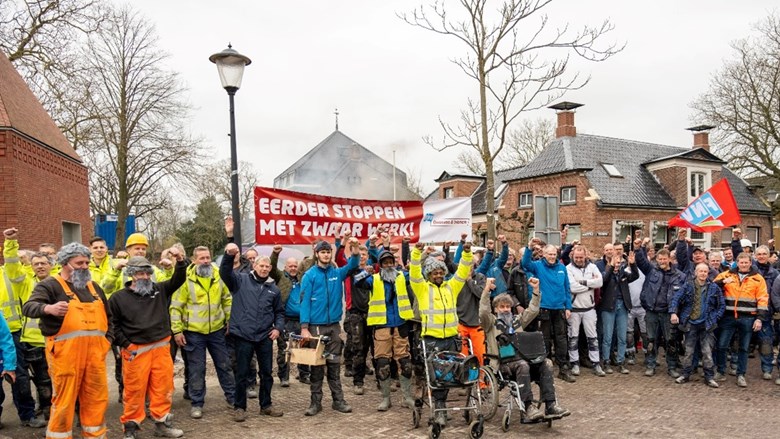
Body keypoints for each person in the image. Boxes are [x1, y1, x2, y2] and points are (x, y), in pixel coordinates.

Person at [22, 242, 114, 439]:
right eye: (79, 262)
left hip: (95, 357)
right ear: (64, 263)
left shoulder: (94, 287)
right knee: (64, 401)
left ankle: (95, 436)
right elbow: (29, 307)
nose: (84, 266)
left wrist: (108, 340)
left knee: (96, 399)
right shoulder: (50, 285)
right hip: (66, 357)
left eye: (87, 262)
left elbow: (109, 317)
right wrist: (48, 309)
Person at [109, 252, 187, 439]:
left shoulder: (159, 290)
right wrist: (126, 344)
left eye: (147, 273)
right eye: (139, 273)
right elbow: (113, 325)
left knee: (163, 388)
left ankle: (162, 424)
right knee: (134, 392)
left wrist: (180, 261)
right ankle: (131, 428)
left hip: (161, 348)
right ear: (131, 275)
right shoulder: (118, 298)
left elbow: (179, 278)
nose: (144, 277)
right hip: (136, 351)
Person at [480, 277, 569, 422]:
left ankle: (551, 404)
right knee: (523, 365)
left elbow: (533, 310)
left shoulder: (517, 321)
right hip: (503, 364)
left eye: (508, 307)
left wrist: (535, 290)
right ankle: (528, 407)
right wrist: (486, 291)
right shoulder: (490, 322)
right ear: (495, 309)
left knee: (546, 363)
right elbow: (483, 311)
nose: (505, 309)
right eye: (501, 307)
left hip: (523, 360)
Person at [409, 240, 473, 427]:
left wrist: (467, 253)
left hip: (451, 339)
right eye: (434, 272)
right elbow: (414, 272)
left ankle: (442, 408)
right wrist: (417, 252)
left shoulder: (451, 287)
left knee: (452, 374)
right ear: (428, 274)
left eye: (441, 272)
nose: (438, 275)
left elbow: (462, 272)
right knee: (438, 375)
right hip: (432, 340)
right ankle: (440, 410)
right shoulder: (422, 288)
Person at [221, 243, 285, 422]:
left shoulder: (274, 289)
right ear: (254, 266)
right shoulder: (240, 280)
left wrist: (278, 329)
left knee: (266, 373)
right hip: (243, 336)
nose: (264, 269)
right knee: (241, 374)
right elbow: (224, 273)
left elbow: (279, 313)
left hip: (265, 336)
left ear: (271, 268)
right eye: (261, 266)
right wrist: (228, 255)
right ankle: (239, 407)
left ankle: (266, 405)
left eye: (267, 266)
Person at [170, 246, 235, 419]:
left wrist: (230, 320)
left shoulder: (217, 275)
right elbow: (176, 307)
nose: (205, 261)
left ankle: (232, 397)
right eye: (201, 258)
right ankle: (197, 403)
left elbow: (227, 299)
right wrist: (177, 331)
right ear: (194, 260)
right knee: (197, 369)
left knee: (224, 365)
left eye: (207, 257)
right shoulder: (185, 279)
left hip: (216, 330)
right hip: (193, 333)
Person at [300, 238, 360, 416]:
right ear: (317, 254)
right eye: (323, 252)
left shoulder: (337, 273)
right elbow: (304, 303)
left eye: (328, 252)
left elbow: (353, 264)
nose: (326, 254)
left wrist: (354, 248)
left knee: (334, 365)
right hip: (315, 328)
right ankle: (315, 403)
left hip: (334, 328)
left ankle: (338, 401)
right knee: (317, 367)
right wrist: (304, 327)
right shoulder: (309, 275)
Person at [355, 250, 415, 411]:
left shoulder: (402, 277)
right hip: (382, 325)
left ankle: (407, 397)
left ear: (395, 264)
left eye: (391, 262)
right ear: (380, 265)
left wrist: (415, 257)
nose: (389, 265)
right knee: (382, 363)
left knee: (405, 363)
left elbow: (417, 275)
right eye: (385, 263)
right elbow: (357, 282)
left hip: (401, 325)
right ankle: (386, 398)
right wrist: (364, 272)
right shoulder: (373, 279)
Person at [1, 228, 47, 428]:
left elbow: (12, 263)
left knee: (19, 376)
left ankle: (27, 414)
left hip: (14, 332)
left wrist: (11, 242)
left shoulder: (16, 275)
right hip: (11, 332)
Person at [714, 253, 769, 387]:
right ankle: (721, 371)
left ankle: (741, 374)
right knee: (722, 345)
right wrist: (722, 283)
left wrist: (759, 319)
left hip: (748, 317)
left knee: (744, 348)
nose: (744, 265)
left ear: (750, 263)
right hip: (728, 316)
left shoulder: (758, 279)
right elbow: (712, 286)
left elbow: (762, 299)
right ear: (737, 263)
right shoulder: (726, 275)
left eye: (746, 262)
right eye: (741, 262)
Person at [522, 241, 574, 383]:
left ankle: (563, 368)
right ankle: (544, 369)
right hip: (544, 307)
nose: (552, 257)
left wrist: (568, 307)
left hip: (559, 309)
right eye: (549, 254)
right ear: (544, 255)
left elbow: (567, 288)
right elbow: (525, 264)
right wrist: (528, 248)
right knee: (544, 339)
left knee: (561, 339)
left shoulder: (562, 268)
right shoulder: (538, 266)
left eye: (554, 254)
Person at [636, 238, 686, 378]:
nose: (662, 261)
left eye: (664, 259)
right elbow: (640, 261)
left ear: (670, 259)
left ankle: (671, 367)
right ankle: (650, 365)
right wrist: (638, 247)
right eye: (659, 259)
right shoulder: (651, 271)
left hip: (668, 313)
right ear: (656, 259)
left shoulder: (679, 276)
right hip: (652, 311)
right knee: (651, 339)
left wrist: (676, 311)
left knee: (670, 341)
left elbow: (682, 295)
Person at [670, 263, 725, 388]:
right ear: (696, 272)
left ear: (708, 273)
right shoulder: (688, 285)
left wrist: (715, 318)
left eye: (705, 271)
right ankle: (685, 374)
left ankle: (709, 377)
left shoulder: (714, 287)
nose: (703, 273)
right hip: (690, 323)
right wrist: (673, 313)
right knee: (688, 351)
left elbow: (721, 305)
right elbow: (676, 299)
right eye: (701, 271)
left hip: (707, 324)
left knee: (707, 352)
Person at [269, 245, 310, 386]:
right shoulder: (280, 277)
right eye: (290, 266)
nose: (293, 268)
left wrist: (315, 250)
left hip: (302, 320)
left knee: (304, 348)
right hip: (285, 320)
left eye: (295, 266)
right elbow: (272, 267)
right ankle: (284, 377)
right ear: (285, 267)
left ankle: (304, 375)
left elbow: (313, 262)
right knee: (285, 349)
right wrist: (275, 253)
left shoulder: (303, 278)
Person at [565, 245, 604, 377]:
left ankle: (596, 363)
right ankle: (574, 363)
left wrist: (581, 282)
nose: (579, 259)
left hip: (589, 309)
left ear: (585, 256)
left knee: (593, 337)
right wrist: (589, 285)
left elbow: (599, 282)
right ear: (572, 256)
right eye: (576, 257)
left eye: (581, 257)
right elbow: (572, 287)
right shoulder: (568, 268)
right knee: (573, 337)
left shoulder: (592, 267)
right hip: (574, 309)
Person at [599, 249, 639, 375]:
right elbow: (604, 280)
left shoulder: (623, 274)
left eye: (619, 263)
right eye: (615, 262)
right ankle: (606, 361)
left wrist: (632, 264)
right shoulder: (605, 273)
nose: (617, 265)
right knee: (608, 336)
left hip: (622, 306)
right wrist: (611, 266)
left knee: (622, 337)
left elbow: (635, 276)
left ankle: (621, 361)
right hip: (608, 307)